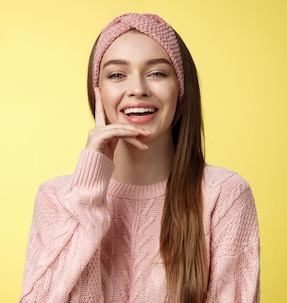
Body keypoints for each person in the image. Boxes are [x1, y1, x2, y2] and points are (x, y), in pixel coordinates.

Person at [20, 13, 260, 302]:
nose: (138, 89)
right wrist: (88, 191)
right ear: (97, 93)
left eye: (157, 73)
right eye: (117, 75)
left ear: (181, 91)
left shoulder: (224, 195)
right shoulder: (57, 198)